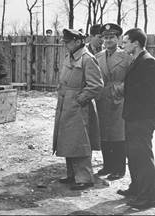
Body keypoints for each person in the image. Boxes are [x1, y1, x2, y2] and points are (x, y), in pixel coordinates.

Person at [53, 28, 104, 190]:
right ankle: (72, 175)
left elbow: (96, 85)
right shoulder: (71, 56)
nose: (65, 45)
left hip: (78, 107)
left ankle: (84, 178)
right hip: (65, 105)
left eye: (67, 42)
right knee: (67, 140)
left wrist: (79, 99)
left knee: (79, 142)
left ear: (78, 41)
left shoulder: (87, 59)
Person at [117, 28, 155, 209]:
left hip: (142, 118)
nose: (122, 45)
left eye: (125, 42)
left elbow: (148, 94)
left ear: (136, 43)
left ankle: (148, 197)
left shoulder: (148, 62)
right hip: (133, 116)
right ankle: (136, 188)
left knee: (142, 156)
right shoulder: (137, 60)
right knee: (133, 155)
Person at [94, 23, 132, 180]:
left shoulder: (127, 57)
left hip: (119, 99)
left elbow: (133, 79)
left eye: (112, 37)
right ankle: (107, 165)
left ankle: (119, 168)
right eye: (105, 37)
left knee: (118, 135)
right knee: (104, 134)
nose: (108, 40)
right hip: (102, 98)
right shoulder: (98, 56)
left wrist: (120, 90)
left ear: (118, 39)